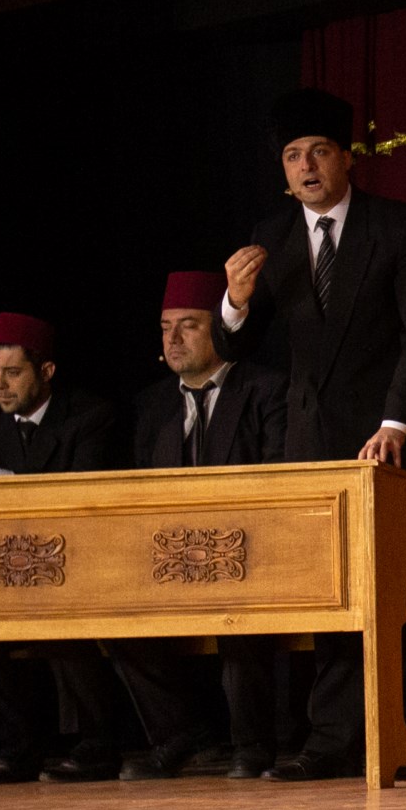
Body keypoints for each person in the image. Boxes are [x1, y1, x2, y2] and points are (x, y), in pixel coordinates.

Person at [218, 87, 406, 780]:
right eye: (294, 156)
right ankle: (329, 741)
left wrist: (395, 423)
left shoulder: (400, 226)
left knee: (401, 593)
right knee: (332, 592)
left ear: (347, 159)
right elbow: (236, 350)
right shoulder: (274, 240)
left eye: (319, 151)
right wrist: (234, 304)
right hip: (316, 440)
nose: (307, 166)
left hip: (397, 432)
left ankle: (402, 732)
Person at [0, 312, 129, 783]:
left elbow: (82, 494)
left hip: (79, 566)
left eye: (13, 372)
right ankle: (18, 745)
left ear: (47, 372)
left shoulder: (89, 416)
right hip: (7, 569)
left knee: (61, 621)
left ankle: (99, 741)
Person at [113, 271, 291, 780]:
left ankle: (253, 743)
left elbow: (280, 481)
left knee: (238, 607)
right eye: (166, 327)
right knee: (116, 615)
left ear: (221, 329)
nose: (173, 339)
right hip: (171, 558)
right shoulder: (152, 405)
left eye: (188, 325)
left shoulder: (266, 391)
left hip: (249, 551)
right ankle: (180, 735)